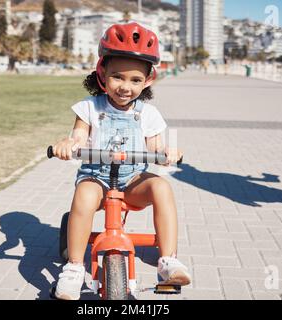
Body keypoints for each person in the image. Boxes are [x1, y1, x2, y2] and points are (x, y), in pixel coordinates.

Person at [52, 22, 191, 300]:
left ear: (148, 79)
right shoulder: (90, 107)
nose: (125, 87)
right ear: (102, 72)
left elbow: (156, 146)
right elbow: (79, 136)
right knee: (83, 193)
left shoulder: (148, 114)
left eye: (135, 80)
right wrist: (69, 144)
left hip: (131, 181)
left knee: (162, 187)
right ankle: (74, 267)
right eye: (118, 77)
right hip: (97, 179)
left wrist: (166, 152)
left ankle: (167, 260)